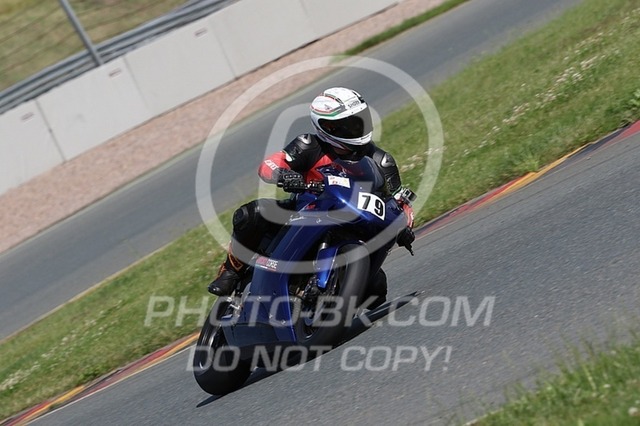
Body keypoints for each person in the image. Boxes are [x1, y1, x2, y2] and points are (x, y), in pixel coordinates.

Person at [208, 87, 415, 308]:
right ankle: (231, 271)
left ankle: (329, 300)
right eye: (351, 124)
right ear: (328, 127)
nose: (359, 127)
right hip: (304, 212)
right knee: (252, 214)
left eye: (361, 120)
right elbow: (270, 164)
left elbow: (397, 201)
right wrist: (283, 175)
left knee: (376, 292)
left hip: (357, 224)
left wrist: (404, 223)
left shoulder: (381, 161)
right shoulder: (309, 145)